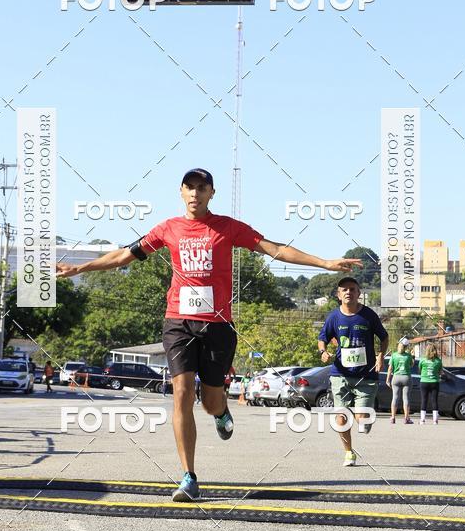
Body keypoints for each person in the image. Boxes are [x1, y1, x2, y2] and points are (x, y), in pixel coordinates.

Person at [57, 167, 361, 501]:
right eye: (189, 188)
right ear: (181, 192)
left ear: (211, 193)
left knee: (210, 400)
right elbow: (124, 255)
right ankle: (188, 476)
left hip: (217, 326)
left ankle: (221, 412)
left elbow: (273, 248)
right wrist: (79, 268)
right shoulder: (167, 229)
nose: (195, 194)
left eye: (202, 188)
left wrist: (325, 263)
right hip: (178, 322)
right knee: (182, 392)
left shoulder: (228, 228)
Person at [318, 277, 388, 467]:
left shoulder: (368, 316)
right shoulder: (333, 317)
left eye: (352, 289)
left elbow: (384, 337)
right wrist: (323, 352)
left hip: (366, 376)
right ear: (339, 295)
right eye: (344, 290)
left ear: (359, 294)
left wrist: (381, 356)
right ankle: (348, 453)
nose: (349, 292)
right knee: (340, 415)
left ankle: (365, 417)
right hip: (340, 374)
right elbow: (322, 338)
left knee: (362, 420)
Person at [386, 337, 414, 425]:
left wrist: (388, 380)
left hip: (396, 377)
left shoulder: (394, 355)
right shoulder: (408, 355)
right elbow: (412, 365)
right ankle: (406, 418)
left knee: (395, 398)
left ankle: (393, 417)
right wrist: (413, 356)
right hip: (406, 377)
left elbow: (390, 369)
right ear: (406, 347)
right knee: (406, 398)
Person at [419, 343, 442, 425]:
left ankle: (422, 420)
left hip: (424, 382)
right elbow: (440, 372)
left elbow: (420, 370)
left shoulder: (422, 360)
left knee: (424, 400)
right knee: (434, 400)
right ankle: (435, 420)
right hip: (434, 382)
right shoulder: (438, 361)